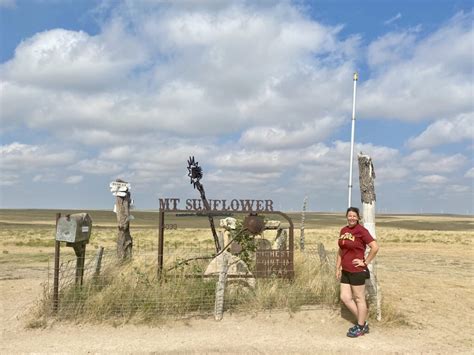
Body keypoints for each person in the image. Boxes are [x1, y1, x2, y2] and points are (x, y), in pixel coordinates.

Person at [336, 207, 379, 338]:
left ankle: (360, 327)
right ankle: (363, 322)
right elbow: (340, 250)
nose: (352, 218)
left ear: (358, 218)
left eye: (354, 216)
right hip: (346, 270)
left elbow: (375, 247)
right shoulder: (343, 230)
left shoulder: (361, 231)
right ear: (347, 216)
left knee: (359, 298)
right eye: (350, 215)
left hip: (357, 271)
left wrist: (365, 262)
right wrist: (337, 268)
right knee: (345, 297)